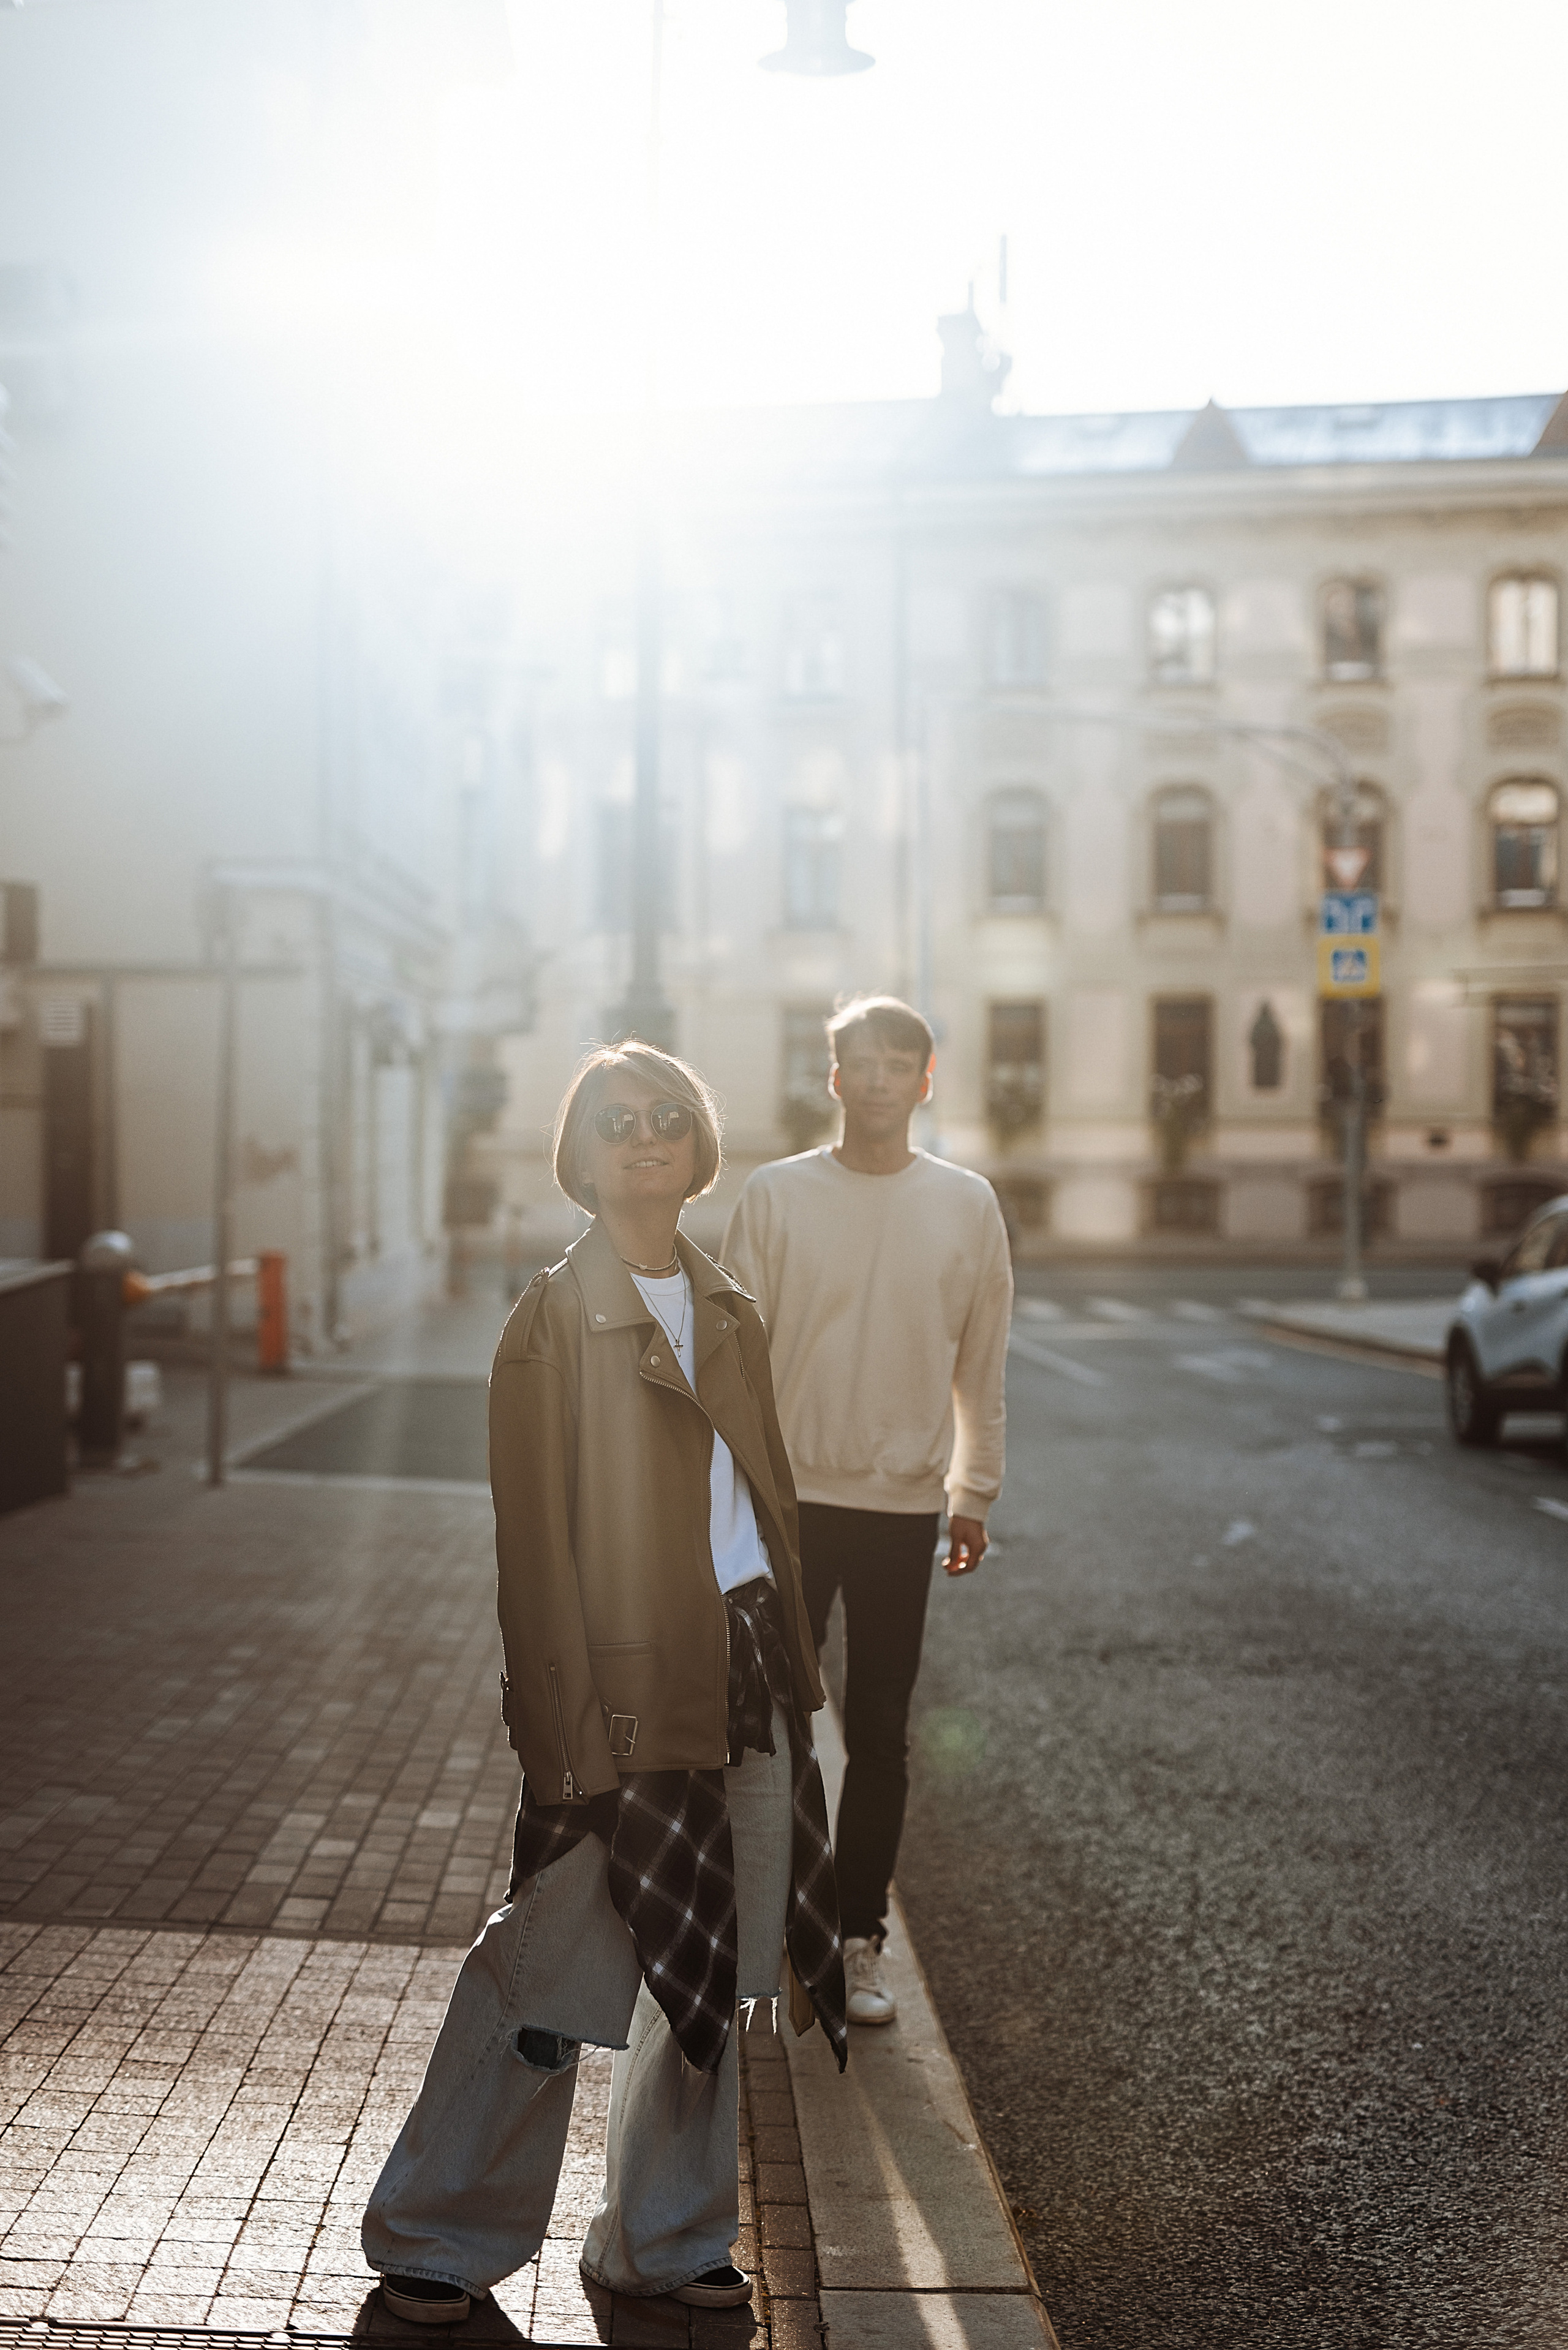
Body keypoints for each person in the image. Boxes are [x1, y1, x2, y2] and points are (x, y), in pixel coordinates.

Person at [362, 1042, 845, 2323]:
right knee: (547, 1967)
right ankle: (437, 2228)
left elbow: (764, 1503)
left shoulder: (726, 1302)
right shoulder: (552, 1316)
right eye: (618, 1121)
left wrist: (797, 1669)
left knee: (711, 1972)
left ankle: (665, 2237)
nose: (645, 1138)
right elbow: (535, 1544)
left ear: (697, 1146)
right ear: (579, 1154)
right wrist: (559, 1724)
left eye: (668, 1117)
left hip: (741, 1669)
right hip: (624, 1689)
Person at [722, 996, 1012, 2028]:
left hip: (901, 1506)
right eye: (862, 1060)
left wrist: (972, 1491)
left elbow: (981, 1362)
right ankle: (769, 1927)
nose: (881, 1076)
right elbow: (737, 1359)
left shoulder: (967, 1203)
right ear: (834, 1076)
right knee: (764, 1727)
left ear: (926, 1079)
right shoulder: (779, 1196)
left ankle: (858, 1936)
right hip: (790, 1506)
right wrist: (730, 1497)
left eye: (901, 1061)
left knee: (882, 1729)